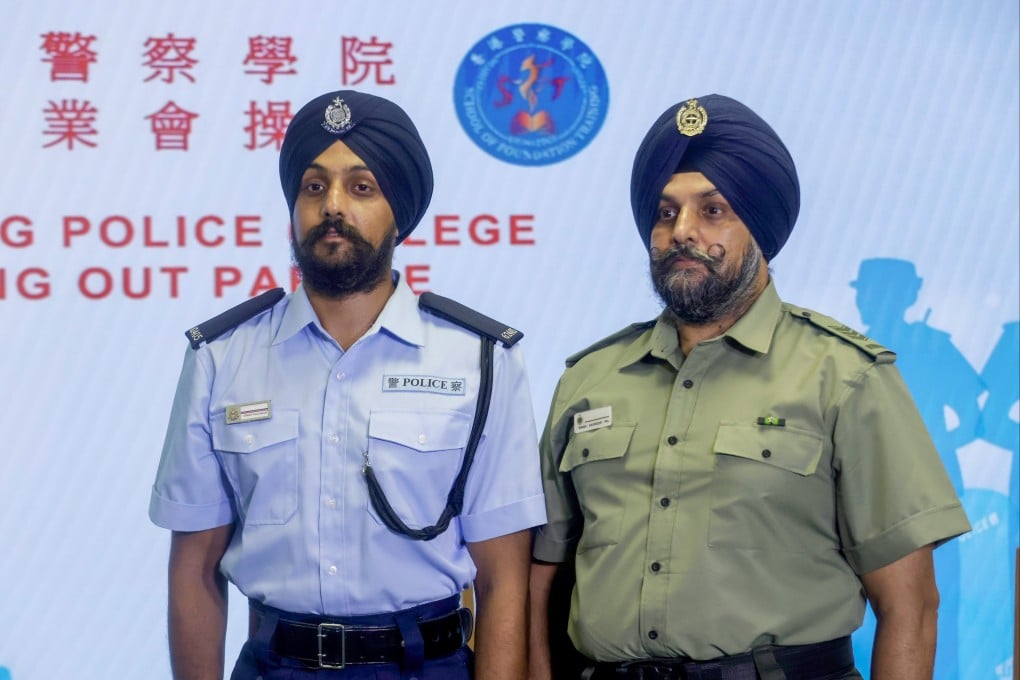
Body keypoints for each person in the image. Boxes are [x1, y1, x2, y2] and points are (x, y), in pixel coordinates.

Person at [529, 94, 971, 680]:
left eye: (712, 211)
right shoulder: (589, 379)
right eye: (665, 213)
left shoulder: (845, 377)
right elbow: (538, 590)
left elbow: (911, 609)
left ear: (758, 225)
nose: (682, 232)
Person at [149, 89, 546, 680]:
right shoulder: (221, 357)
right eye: (314, 187)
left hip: (424, 665)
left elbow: (504, 579)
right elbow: (194, 570)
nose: (332, 206)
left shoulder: (480, 360)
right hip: (273, 665)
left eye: (361, 187)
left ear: (398, 212)